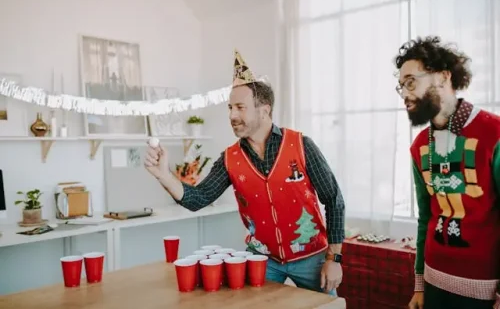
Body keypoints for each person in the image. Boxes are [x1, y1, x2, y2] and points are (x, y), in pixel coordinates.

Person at [144, 49, 346, 295]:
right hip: (262, 261)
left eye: (240, 107)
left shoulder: (301, 146)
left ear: (264, 110)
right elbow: (198, 199)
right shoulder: (230, 158)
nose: (232, 115)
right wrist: (163, 175)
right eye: (230, 108)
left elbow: (334, 200)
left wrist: (334, 259)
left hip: (312, 258)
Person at [393, 36, 500, 309]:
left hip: (484, 290)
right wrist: (419, 284)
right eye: (401, 86)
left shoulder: (494, 134)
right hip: (434, 283)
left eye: (411, 82)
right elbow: (425, 217)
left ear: (442, 76)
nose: (405, 93)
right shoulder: (419, 147)